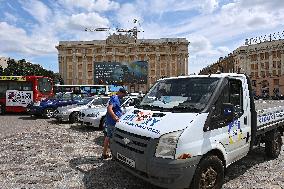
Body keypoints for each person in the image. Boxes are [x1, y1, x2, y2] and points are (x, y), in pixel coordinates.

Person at [101, 87, 127, 159]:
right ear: (120, 92)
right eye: (123, 95)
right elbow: (109, 108)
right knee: (113, 139)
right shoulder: (115, 98)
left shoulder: (115, 98)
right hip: (113, 122)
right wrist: (114, 117)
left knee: (108, 137)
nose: (124, 96)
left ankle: (104, 153)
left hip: (110, 121)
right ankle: (114, 155)